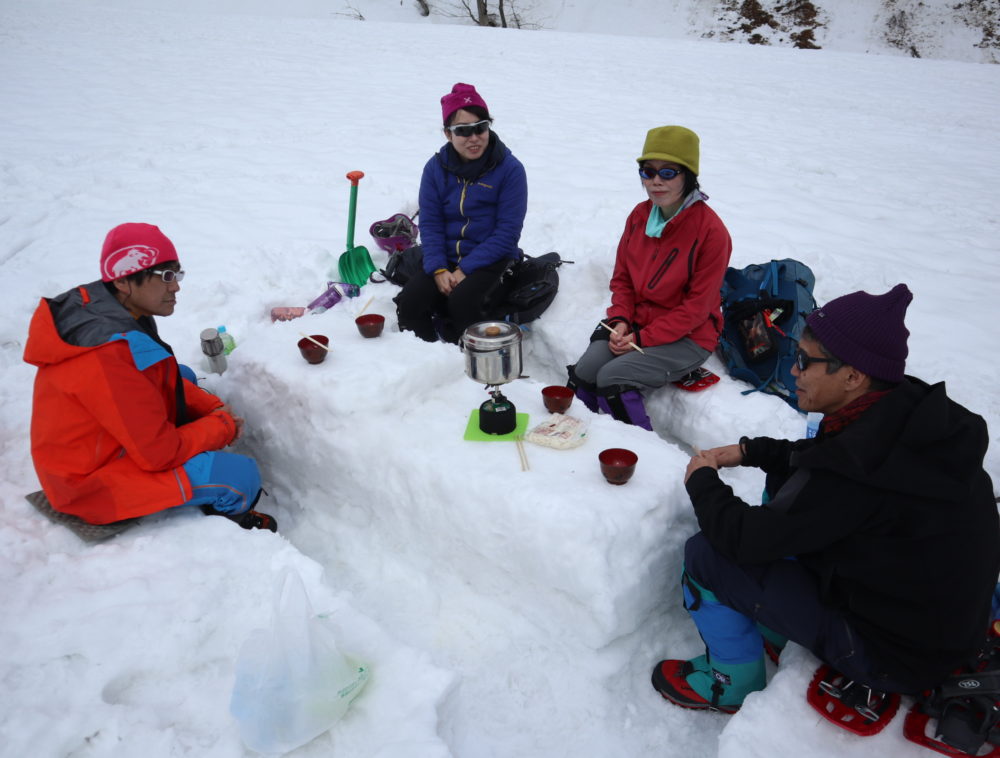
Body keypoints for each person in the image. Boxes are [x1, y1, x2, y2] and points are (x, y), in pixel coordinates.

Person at [651, 284, 999, 713]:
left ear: (853, 376)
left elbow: (741, 538)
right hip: (935, 622)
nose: (792, 371)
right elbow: (821, 462)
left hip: (894, 656)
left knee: (707, 555)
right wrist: (753, 451)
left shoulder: (857, 471)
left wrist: (702, 479)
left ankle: (730, 683)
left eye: (803, 361)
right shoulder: (902, 412)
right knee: (784, 485)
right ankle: (779, 624)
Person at [23, 222, 277, 531]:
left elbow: (155, 376)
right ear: (123, 280)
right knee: (239, 477)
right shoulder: (104, 354)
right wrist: (221, 426)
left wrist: (210, 407)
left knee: (182, 376)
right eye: (166, 277)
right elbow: (159, 453)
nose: (176, 287)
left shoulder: (113, 309)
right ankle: (231, 519)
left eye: (178, 274)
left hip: (102, 443)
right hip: (89, 483)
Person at [567, 125, 732, 430]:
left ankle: (639, 455)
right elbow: (623, 280)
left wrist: (640, 339)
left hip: (688, 336)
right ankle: (577, 436)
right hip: (636, 325)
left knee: (612, 379)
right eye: (648, 171)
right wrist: (620, 320)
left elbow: (697, 309)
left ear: (688, 175)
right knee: (585, 372)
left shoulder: (712, 233)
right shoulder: (640, 216)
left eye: (668, 172)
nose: (655, 181)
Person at [395, 82, 528, 343]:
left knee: (462, 305)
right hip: (445, 257)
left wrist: (465, 269)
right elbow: (431, 224)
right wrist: (438, 269)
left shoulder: (510, 170)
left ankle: (467, 371)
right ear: (447, 134)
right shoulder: (435, 169)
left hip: (491, 259)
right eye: (463, 131)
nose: (474, 137)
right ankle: (427, 361)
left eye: (481, 128)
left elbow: (507, 233)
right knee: (410, 303)